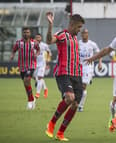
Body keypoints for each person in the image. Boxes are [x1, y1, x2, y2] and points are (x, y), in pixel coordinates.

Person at [44, 12, 85, 141]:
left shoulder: (74, 39)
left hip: (77, 74)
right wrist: (50, 25)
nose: (80, 30)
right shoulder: (63, 35)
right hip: (63, 72)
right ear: (71, 24)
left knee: (75, 104)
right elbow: (49, 40)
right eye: (78, 27)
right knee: (69, 98)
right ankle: (51, 123)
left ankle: (60, 133)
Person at [10, 27, 40, 110]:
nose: (26, 34)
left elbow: (38, 50)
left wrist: (37, 54)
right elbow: (14, 50)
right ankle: (31, 99)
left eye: (27, 32)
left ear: (30, 33)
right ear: (22, 33)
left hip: (31, 65)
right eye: (24, 32)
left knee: (27, 80)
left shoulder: (34, 43)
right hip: (22, 66)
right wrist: (12, 55)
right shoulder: (18, 43)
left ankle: (30, 102)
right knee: (26, 84)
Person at [78, 28, 102, 112]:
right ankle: (90, 78)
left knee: (83, 86)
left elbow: (99, 53)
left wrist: (100, 63)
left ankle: (80, 106)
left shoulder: (92, 44)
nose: (84, 34)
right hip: (78, 66)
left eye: (86, 33)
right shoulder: (78, 44)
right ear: (81, 35)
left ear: (88, 34)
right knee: (77, 87)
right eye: (83, 33)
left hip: (88, 67)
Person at [34, 33, 52, 99]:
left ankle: (37, 93)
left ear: (41, 38)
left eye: (39, 37)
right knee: (35, 78)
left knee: (39, 77)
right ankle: (45, 88)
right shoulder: (32, 44)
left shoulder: (44, 45)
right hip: (34, 64)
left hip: (42, 64)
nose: (38, 38)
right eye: (36, 37)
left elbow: (49, 53)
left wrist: (47, 61)